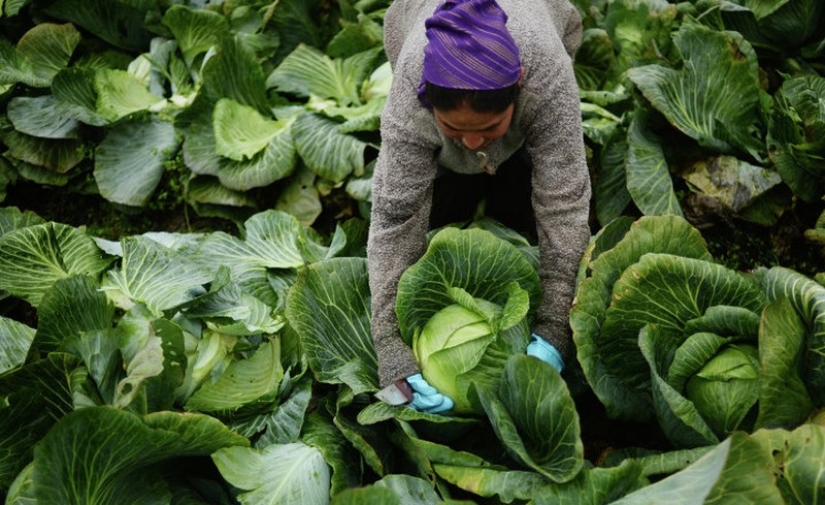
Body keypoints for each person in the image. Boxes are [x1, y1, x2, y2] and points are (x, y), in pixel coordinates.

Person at [368, 0, 591, 413]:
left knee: (531, 199)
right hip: (416, 30)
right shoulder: (410, 93)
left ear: (520, 84)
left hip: (538, 41)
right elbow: (394, 215)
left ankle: (502, 147)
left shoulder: (546, 78)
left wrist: (555, 327)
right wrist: (390, 346)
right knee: (430, 207)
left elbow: (565, 204)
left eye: (489, 128)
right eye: (452, 127)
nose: (472, 142)